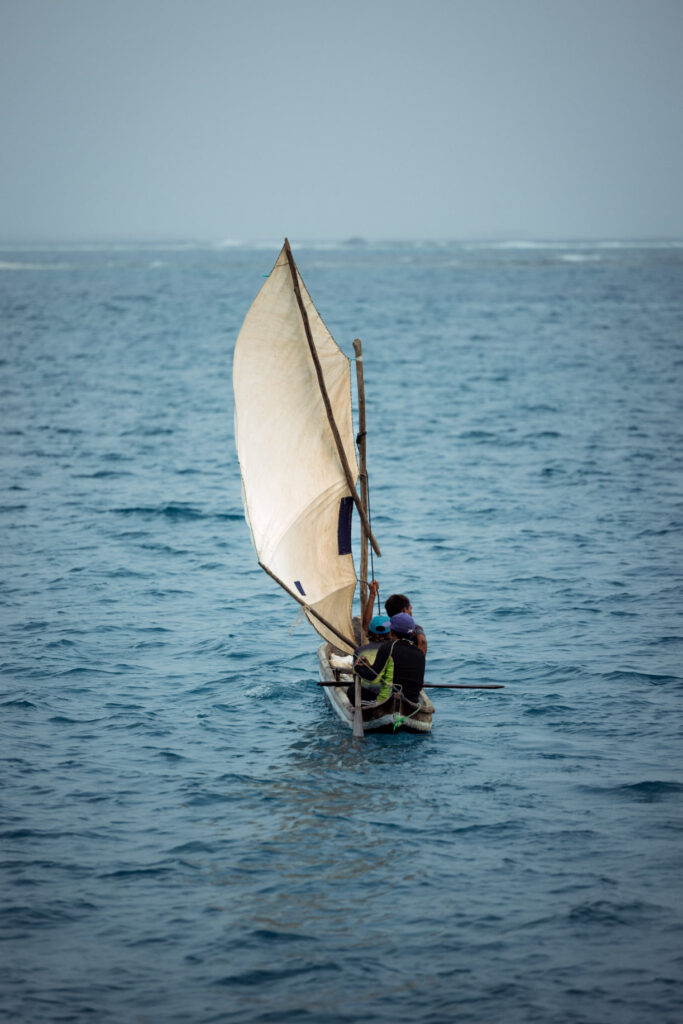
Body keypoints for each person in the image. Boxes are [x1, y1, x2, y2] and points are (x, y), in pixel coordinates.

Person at [355, 612, 426, 705]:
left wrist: (358, 668)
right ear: (413, 633)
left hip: (387, 701)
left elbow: (373, 677)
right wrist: (369, 666)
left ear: (391, 632)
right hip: (412, 702)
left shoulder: (388, 648)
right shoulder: (420, 653)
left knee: (352, 692)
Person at [362, 581, 428, 655]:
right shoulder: (413, 627)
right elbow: (422, 642)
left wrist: (372, 595)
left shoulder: (386, 625)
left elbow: (366, 624)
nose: (411, 612)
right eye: (409, 609)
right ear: (404, 610)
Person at [347, 615, 391, 705]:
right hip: (391, 693)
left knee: (351, 690)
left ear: (369, 633)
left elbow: (356, 676)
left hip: (369, 695)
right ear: (391, 633)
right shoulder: (394, 649)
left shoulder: (359, 651)